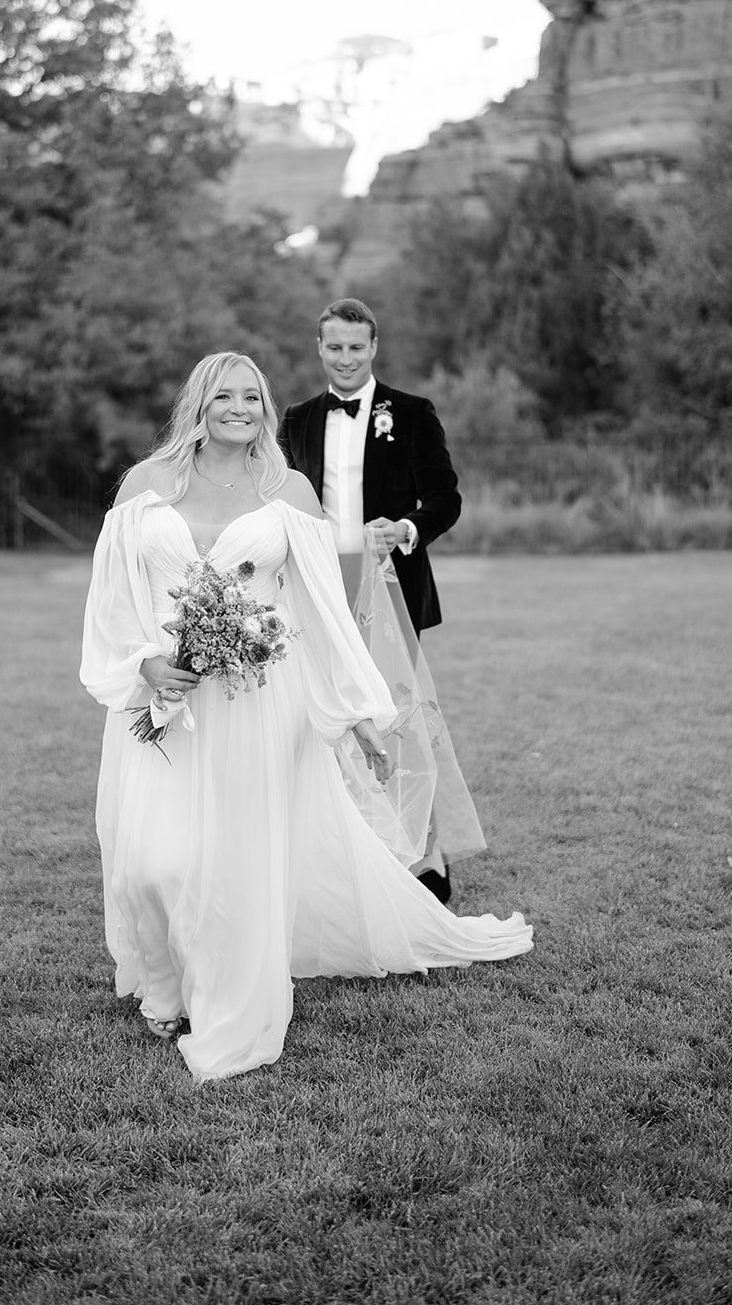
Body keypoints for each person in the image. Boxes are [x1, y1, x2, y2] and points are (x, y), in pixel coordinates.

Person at [80, 351, 531, 1083]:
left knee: (232, 861)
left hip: (257, 704)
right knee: (148, 861)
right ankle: (161, 982)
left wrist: (356, 714)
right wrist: (141, 663)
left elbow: (321, 610)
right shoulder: (145, 484)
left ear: (264, 408)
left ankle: (216, 996)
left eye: (252, 397)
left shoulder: (286, 489)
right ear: (197, 403)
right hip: (165, 698)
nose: (239, 408)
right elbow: (112, 594)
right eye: (223, 395)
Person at [278, 298, 464, 902]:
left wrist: (405, 530)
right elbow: (275, 499)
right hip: (315, 589)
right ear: (320, 347)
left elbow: (444, 498)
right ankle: (340, 855)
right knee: (324, 719)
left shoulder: (411, 413)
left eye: (357, 347)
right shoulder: (298, 418)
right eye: (335, 346)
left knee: (399, 722)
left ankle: (426, 859)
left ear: (374, 347)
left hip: (388, 587)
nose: (346, 358)